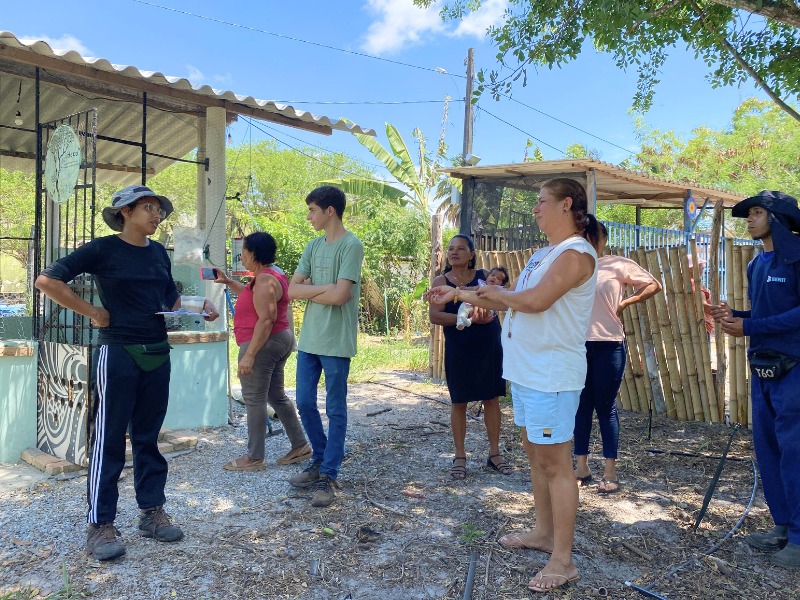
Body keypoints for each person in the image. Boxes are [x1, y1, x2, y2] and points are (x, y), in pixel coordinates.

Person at [429, 178, 598, 592]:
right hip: (526, 372)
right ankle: (543, 533)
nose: (536, 209)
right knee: (536, 457)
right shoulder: (544, 254)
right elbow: (506, 297)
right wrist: (456, 295)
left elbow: (534, 301)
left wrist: (476, 293)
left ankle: (563, 560)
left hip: (551, 376)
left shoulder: (576, 253)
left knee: (556, 465)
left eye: (542, 202)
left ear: (566, 205)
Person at [34, 185, 220, 561]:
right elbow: (47, 281)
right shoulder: (102, 248)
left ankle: (151, 513)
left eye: (159, 210)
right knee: (108, 437)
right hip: (117, 352)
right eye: (149, 208)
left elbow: (170, 299)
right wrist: (93, 313)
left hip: (157, 351)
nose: (156, 215)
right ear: (125, 211)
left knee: (148, 437)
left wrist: (201, 307)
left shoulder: (157, 254)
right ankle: (100, 524)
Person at [711, 190, 800, 571]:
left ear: (778, 218)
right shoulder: (756, 264)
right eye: (749, 214)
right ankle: (782, 526)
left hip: (794, 369)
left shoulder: (798, 258)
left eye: (758, 212)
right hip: (762, 368)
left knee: (796, 452)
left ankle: (799, 539)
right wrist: (737, 315)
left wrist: (751, 325)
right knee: (768, 449)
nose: (749, 219)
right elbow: (765, 312)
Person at [286, 186, 363, 507]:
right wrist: (327, 287)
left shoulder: (351, 245)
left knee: (335, 409)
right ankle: (318, 459)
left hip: (336, 341)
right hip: (310, 340)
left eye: (312, 210)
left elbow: (340, 296)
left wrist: (316, 290)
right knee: (303, 401)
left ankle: (329, 474)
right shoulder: (313, 246)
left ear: (330, 211)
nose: (308, 216)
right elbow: (291, 289)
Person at [574, 219, 661, 494]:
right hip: (576, 345)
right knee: (581, 406)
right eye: (583, 235)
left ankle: (610, 471)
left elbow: (652, 284)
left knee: (606, 407)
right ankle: (581, 467)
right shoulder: (571, 266)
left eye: (592, 235)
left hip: (609, 343)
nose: (588, 240)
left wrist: (625, 302)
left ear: (602, 239)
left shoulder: (616, 264)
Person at [214, 232, 311, 471]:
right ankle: (300, 445)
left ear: (254, 254)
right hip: (278, 340)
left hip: (264, 343)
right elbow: (252, 298)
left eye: (244, 253)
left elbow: (266, 319)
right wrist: (228, 282)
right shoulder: (271, 275)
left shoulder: (266, 281)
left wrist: (249, 355)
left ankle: (254, 456)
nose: (242, 257)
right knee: (276, 396)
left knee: (254, 398)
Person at [428, 236, 509, 480]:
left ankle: (495, 454)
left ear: (471, 254)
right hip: (459, 345)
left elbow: (498, 299)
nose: (454, 252)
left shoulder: (485, 276)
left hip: (487, 342)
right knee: (459, 401)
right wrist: (467, 320)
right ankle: (460, 456)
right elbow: (435, 316)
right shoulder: (440, 281)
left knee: (491, 398)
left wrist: (487, 315)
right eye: (451, 249)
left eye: (461, 249)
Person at [687, 255, 715, 336]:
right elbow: (703, 306)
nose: (703, 268)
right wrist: (721, 314)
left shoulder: (679, 283)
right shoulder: (695, 284)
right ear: (692, 268)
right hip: (699, 326)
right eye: (700, 266)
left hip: (684, 325)